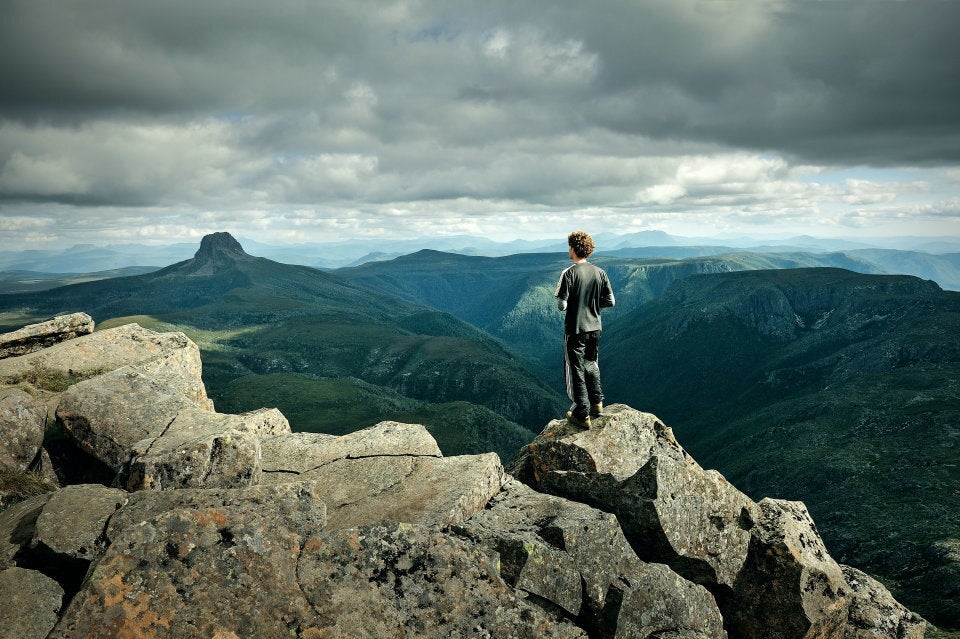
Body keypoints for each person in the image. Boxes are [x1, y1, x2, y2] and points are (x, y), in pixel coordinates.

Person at [554, 230, 615, 428]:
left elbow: (562, 305)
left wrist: (575, 303)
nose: (568, 250)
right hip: (595, 327)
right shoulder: (600, 272)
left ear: (573, 248)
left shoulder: (568, 273)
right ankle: (597, 403)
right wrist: (592, 304)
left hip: (576, 327)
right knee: (591, 363)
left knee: (576, 369)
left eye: (569, 247)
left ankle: (582, 413)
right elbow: (611, 301)